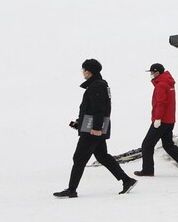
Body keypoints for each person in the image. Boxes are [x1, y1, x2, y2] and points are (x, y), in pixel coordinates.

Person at [55, 59, 137, 198]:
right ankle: (127, 180)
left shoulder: (97, 86)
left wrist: (97, 127)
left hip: (93, 130)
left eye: (84, 70)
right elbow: (91, 109)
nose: (83, 73)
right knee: (102, 156)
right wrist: (79, 122)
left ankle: (71, 190)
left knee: (79, 158)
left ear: (89, 71)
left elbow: (100, 109)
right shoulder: (97, 85)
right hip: (92, 128)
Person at [137, 63, 178, 177]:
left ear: (157, 72)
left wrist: (158, 118)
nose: (151, 74)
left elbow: (161, 103)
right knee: (168, 144)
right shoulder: (169, 83)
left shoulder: (161, 85)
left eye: (152, 72)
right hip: (169, 120)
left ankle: (147, 170)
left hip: (161, 121)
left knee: (147, 145)